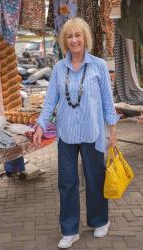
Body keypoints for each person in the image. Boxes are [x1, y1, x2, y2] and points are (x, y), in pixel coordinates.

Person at [33, 17, 121, 249]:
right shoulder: (59, 69)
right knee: (67, 182)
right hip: (66, 134)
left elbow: (107, 102)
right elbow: (51, 100)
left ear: (85, 38)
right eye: (69, 36)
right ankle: (70, 230)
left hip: (93, 132)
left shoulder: (99, 65)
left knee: (95, 179)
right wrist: (41, 124)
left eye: (78, 35)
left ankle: (100, 220)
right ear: (65, 41)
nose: (74, 40)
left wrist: (113, 130)